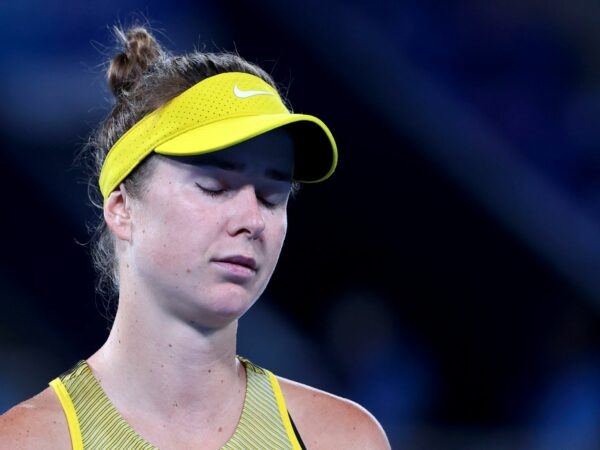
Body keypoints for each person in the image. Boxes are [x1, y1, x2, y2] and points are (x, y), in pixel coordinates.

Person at [0, 25, 391, 449]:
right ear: (122, 209)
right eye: (215, 187)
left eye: (272, 195)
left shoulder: (343, 439)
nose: (252, 220)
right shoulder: (28, 441)